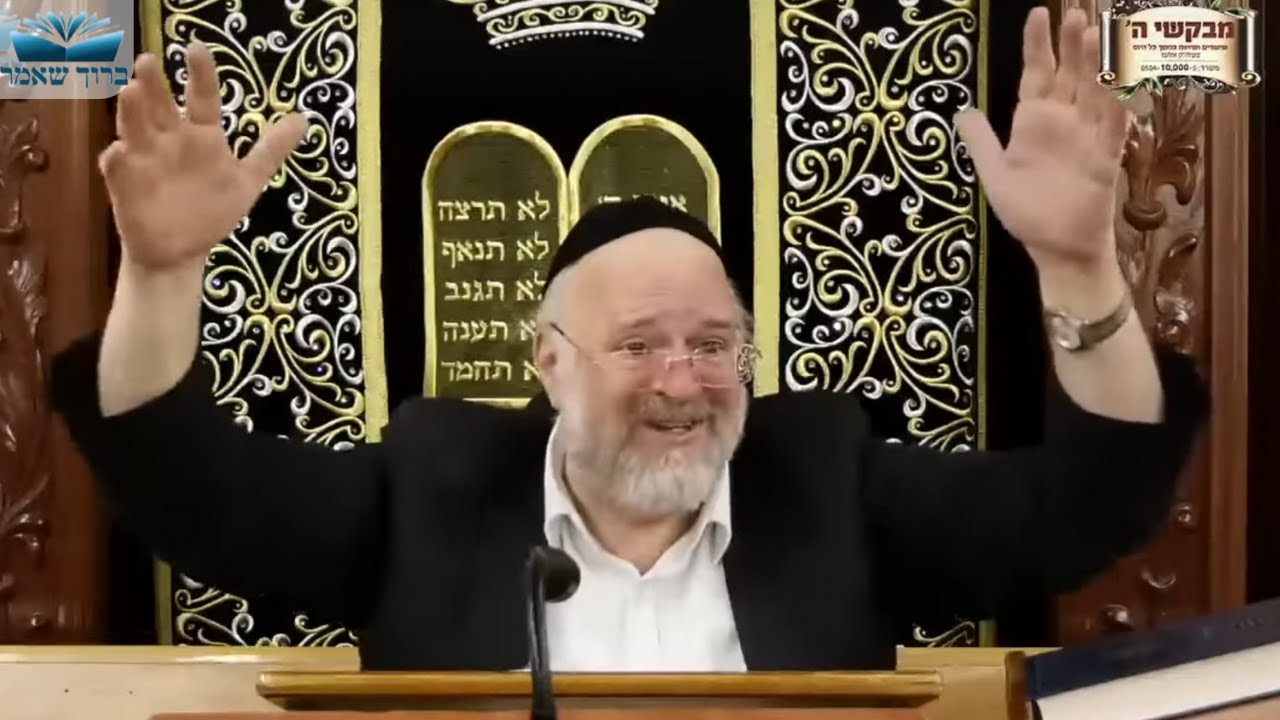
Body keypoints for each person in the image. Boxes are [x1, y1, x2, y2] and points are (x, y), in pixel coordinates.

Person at [51, 7, 1207, 672]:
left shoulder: (823, 482)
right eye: (640, 344)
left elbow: (1086, 506)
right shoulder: (435, 485)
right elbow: (192, 493)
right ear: (548, 362)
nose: (681, 381)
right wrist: (161, 275)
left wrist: (1077, 266)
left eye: (713, 344)